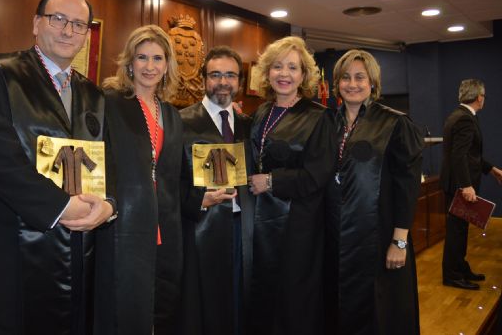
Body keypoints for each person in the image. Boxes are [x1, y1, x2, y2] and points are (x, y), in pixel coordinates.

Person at [0, 0, 115, 335]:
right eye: (58, 19)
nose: (68, 30)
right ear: (36, 24)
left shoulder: (94, 95)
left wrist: (108, 204)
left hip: (73, 249)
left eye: (79, 24)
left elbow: (106, 163)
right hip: (7, 247)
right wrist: (61, 206)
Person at [324, 49, 424, 335]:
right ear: (337, 83)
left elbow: (407, 185)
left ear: (372, 83)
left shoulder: (395, 122)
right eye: (345, 77)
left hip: (380, 238)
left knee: (382, 313)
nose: (352, 84)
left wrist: (400, 242)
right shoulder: (329, 122)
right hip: (338, 239)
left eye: (360, 77)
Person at [97, 25, 183, 335]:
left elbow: (173, 174)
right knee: (125, 307)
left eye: (157, 58)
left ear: (167, 64)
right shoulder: (109, 103)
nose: (149, 66)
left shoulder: (172, 114)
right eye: (141, 57)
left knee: (157, 306)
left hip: (164, 224)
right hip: (124, 223)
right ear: (129, 63)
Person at [247, 36, 336, 335]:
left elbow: (318, 174)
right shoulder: (262, 111)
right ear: (267, 72)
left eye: (292, 68)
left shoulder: (318, 116)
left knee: (294, 298)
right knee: (263, 295)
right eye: (277, 66)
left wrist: (272, 182)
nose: (284, 74)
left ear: (303, 75)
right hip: (260, 224)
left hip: (298, 225)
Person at [178, 46, 253, 335]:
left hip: (243, 229)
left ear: (240, 82)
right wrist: (199, 200)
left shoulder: (249, 125)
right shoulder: (181, 122)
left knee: (239, 301)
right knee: (204, 309)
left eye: (230, 75)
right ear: (203, 79)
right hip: (201, 230)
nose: (223, 82)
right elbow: (170, 182)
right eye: (216, 74)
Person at [441, 79, 502, 290]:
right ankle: (452, 275)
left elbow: (470, 155)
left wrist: (491, 169)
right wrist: (466, 185)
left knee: (460, 230)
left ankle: (460, 267)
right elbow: (458, 155)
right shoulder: (465, 119)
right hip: (459, 186)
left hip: (456, 184)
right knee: (456, 232)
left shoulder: (458, 115)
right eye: (483, 96)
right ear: (479, 97)